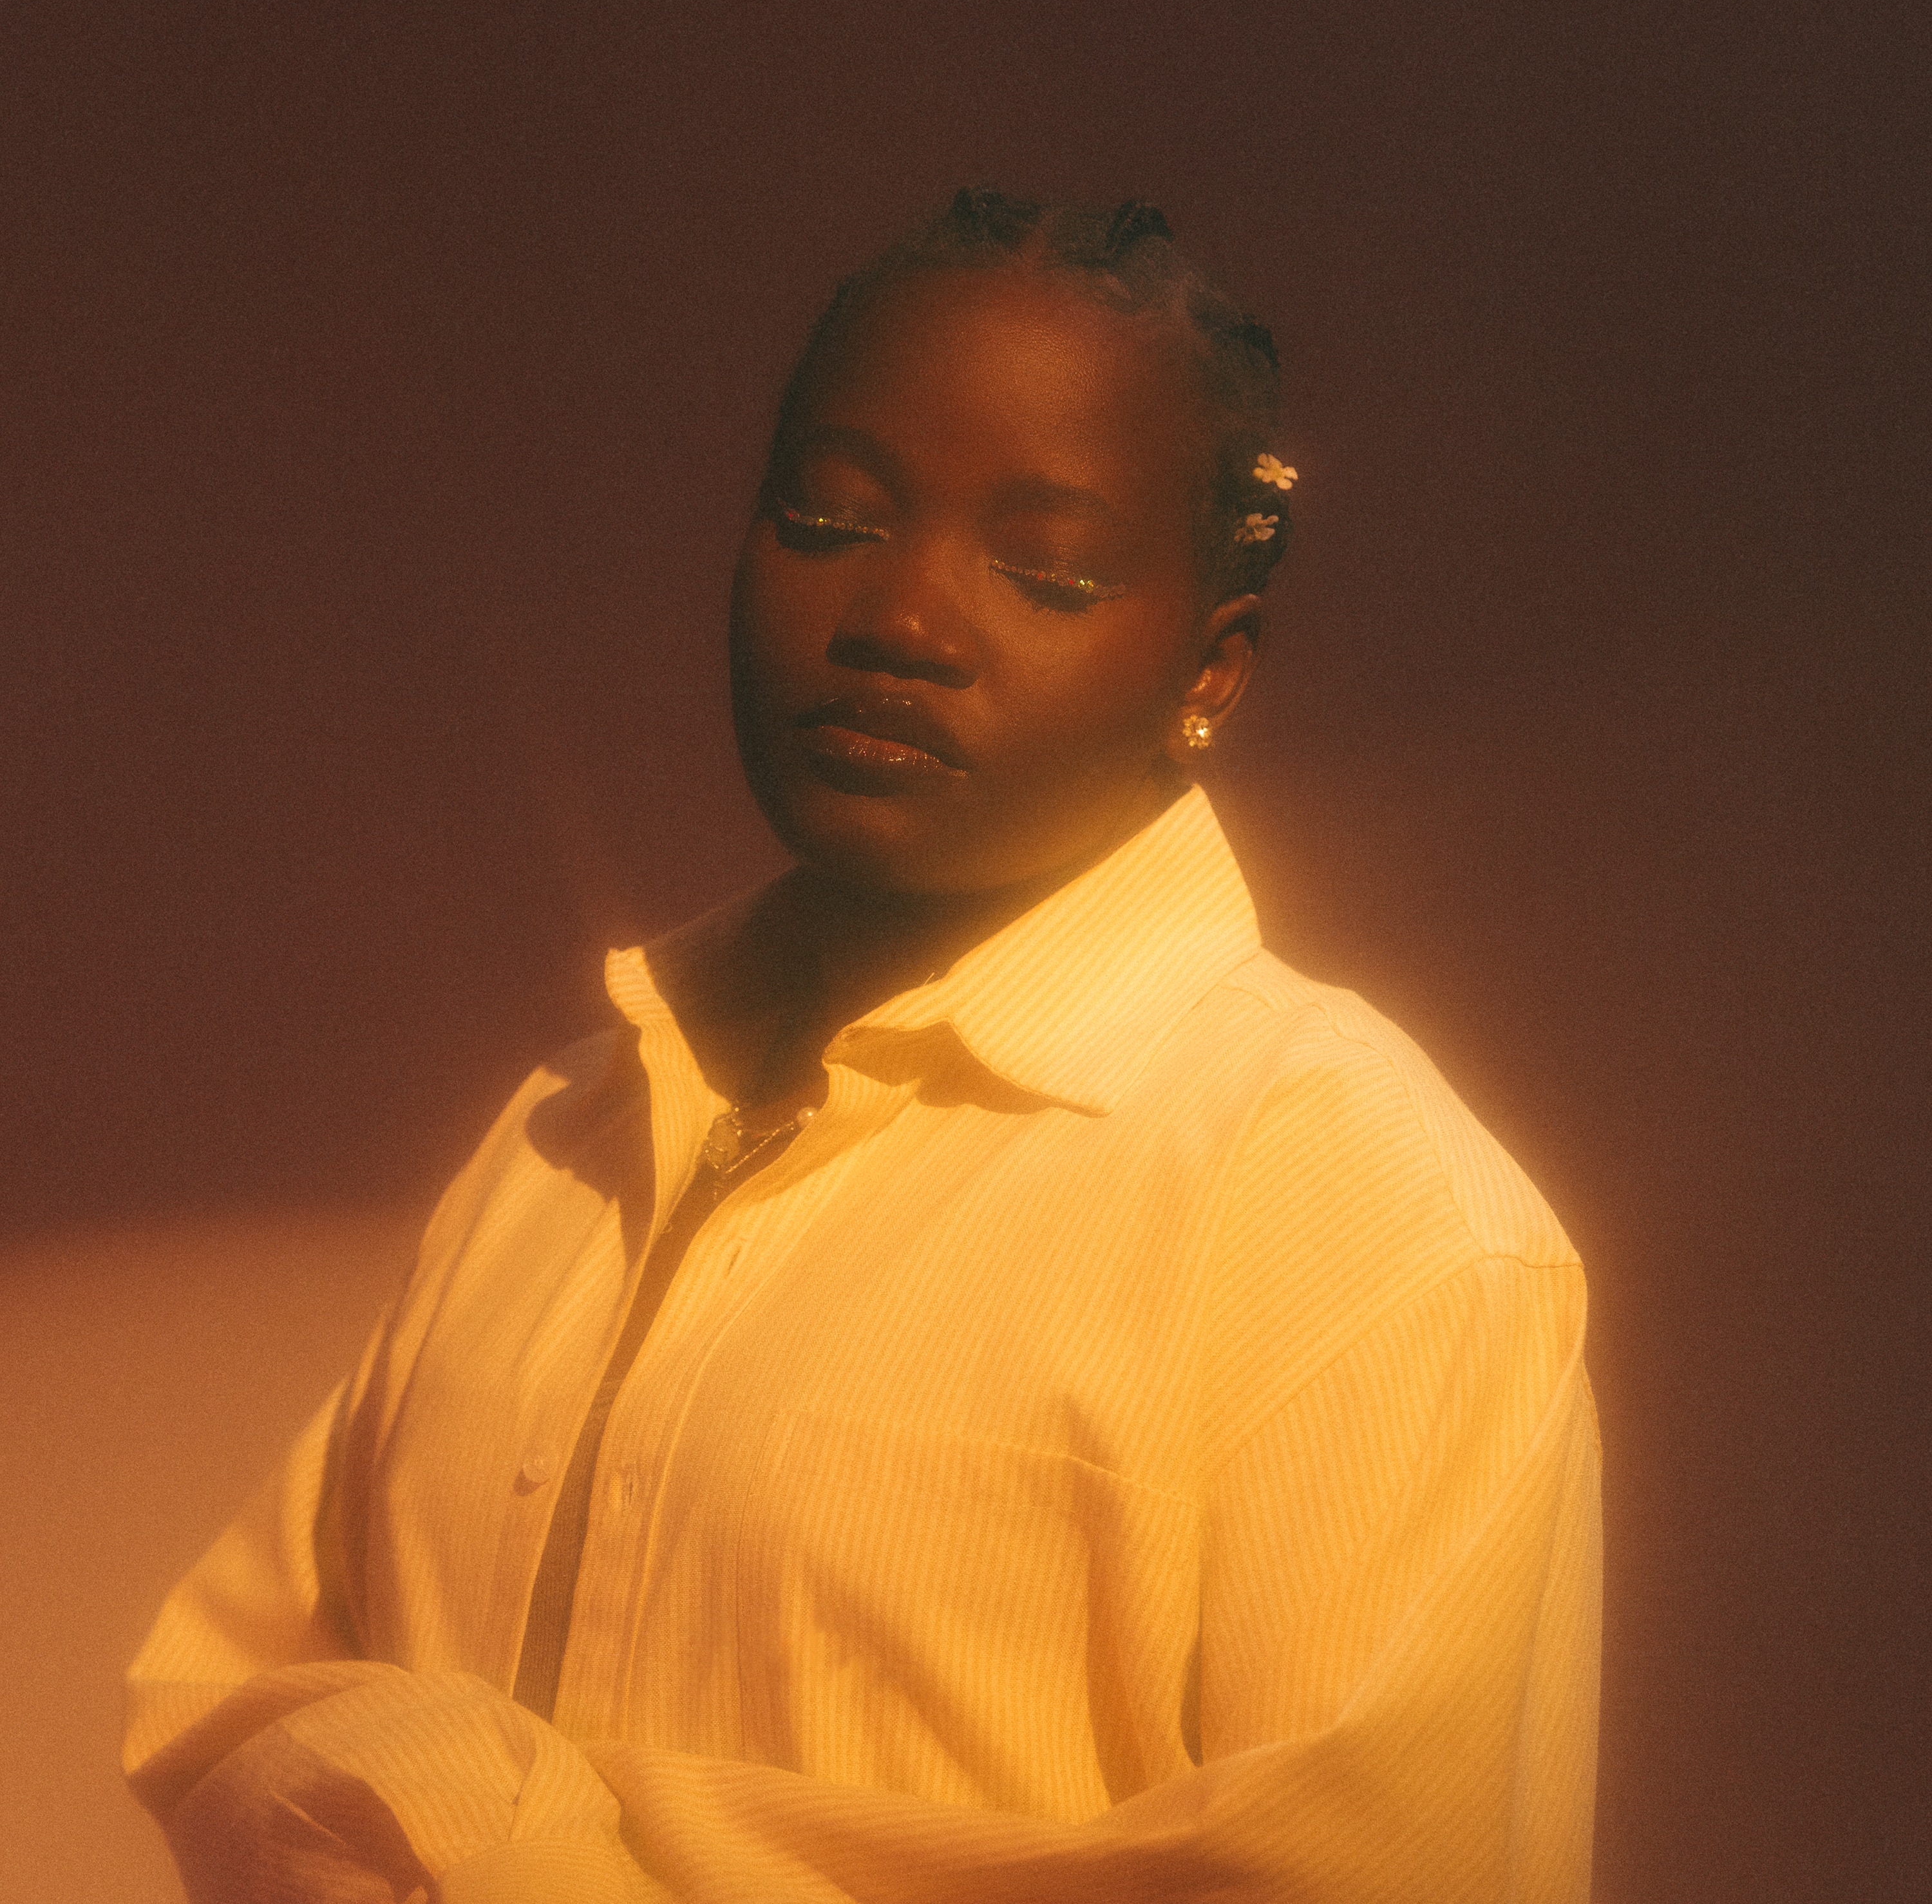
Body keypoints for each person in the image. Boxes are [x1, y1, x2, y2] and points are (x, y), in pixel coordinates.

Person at [125, 190, 1600, 1903]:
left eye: (1045, 566)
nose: (904, 616)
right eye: (826, 518)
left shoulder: (1361, 1213)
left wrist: (531, 1865)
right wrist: (430, 1795)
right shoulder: (569, 1122)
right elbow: (222, 1700)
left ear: (1211, 674)